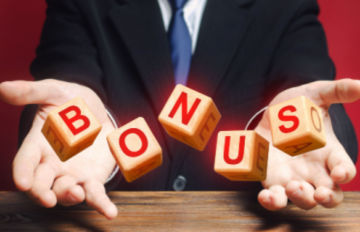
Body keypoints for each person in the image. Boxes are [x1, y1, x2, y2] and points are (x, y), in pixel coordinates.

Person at [0, 0, 358, 220]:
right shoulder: (81, 3)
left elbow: (309, 92)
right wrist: (68, 131)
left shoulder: (285, 5)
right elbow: (64, 87)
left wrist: (311, 132)